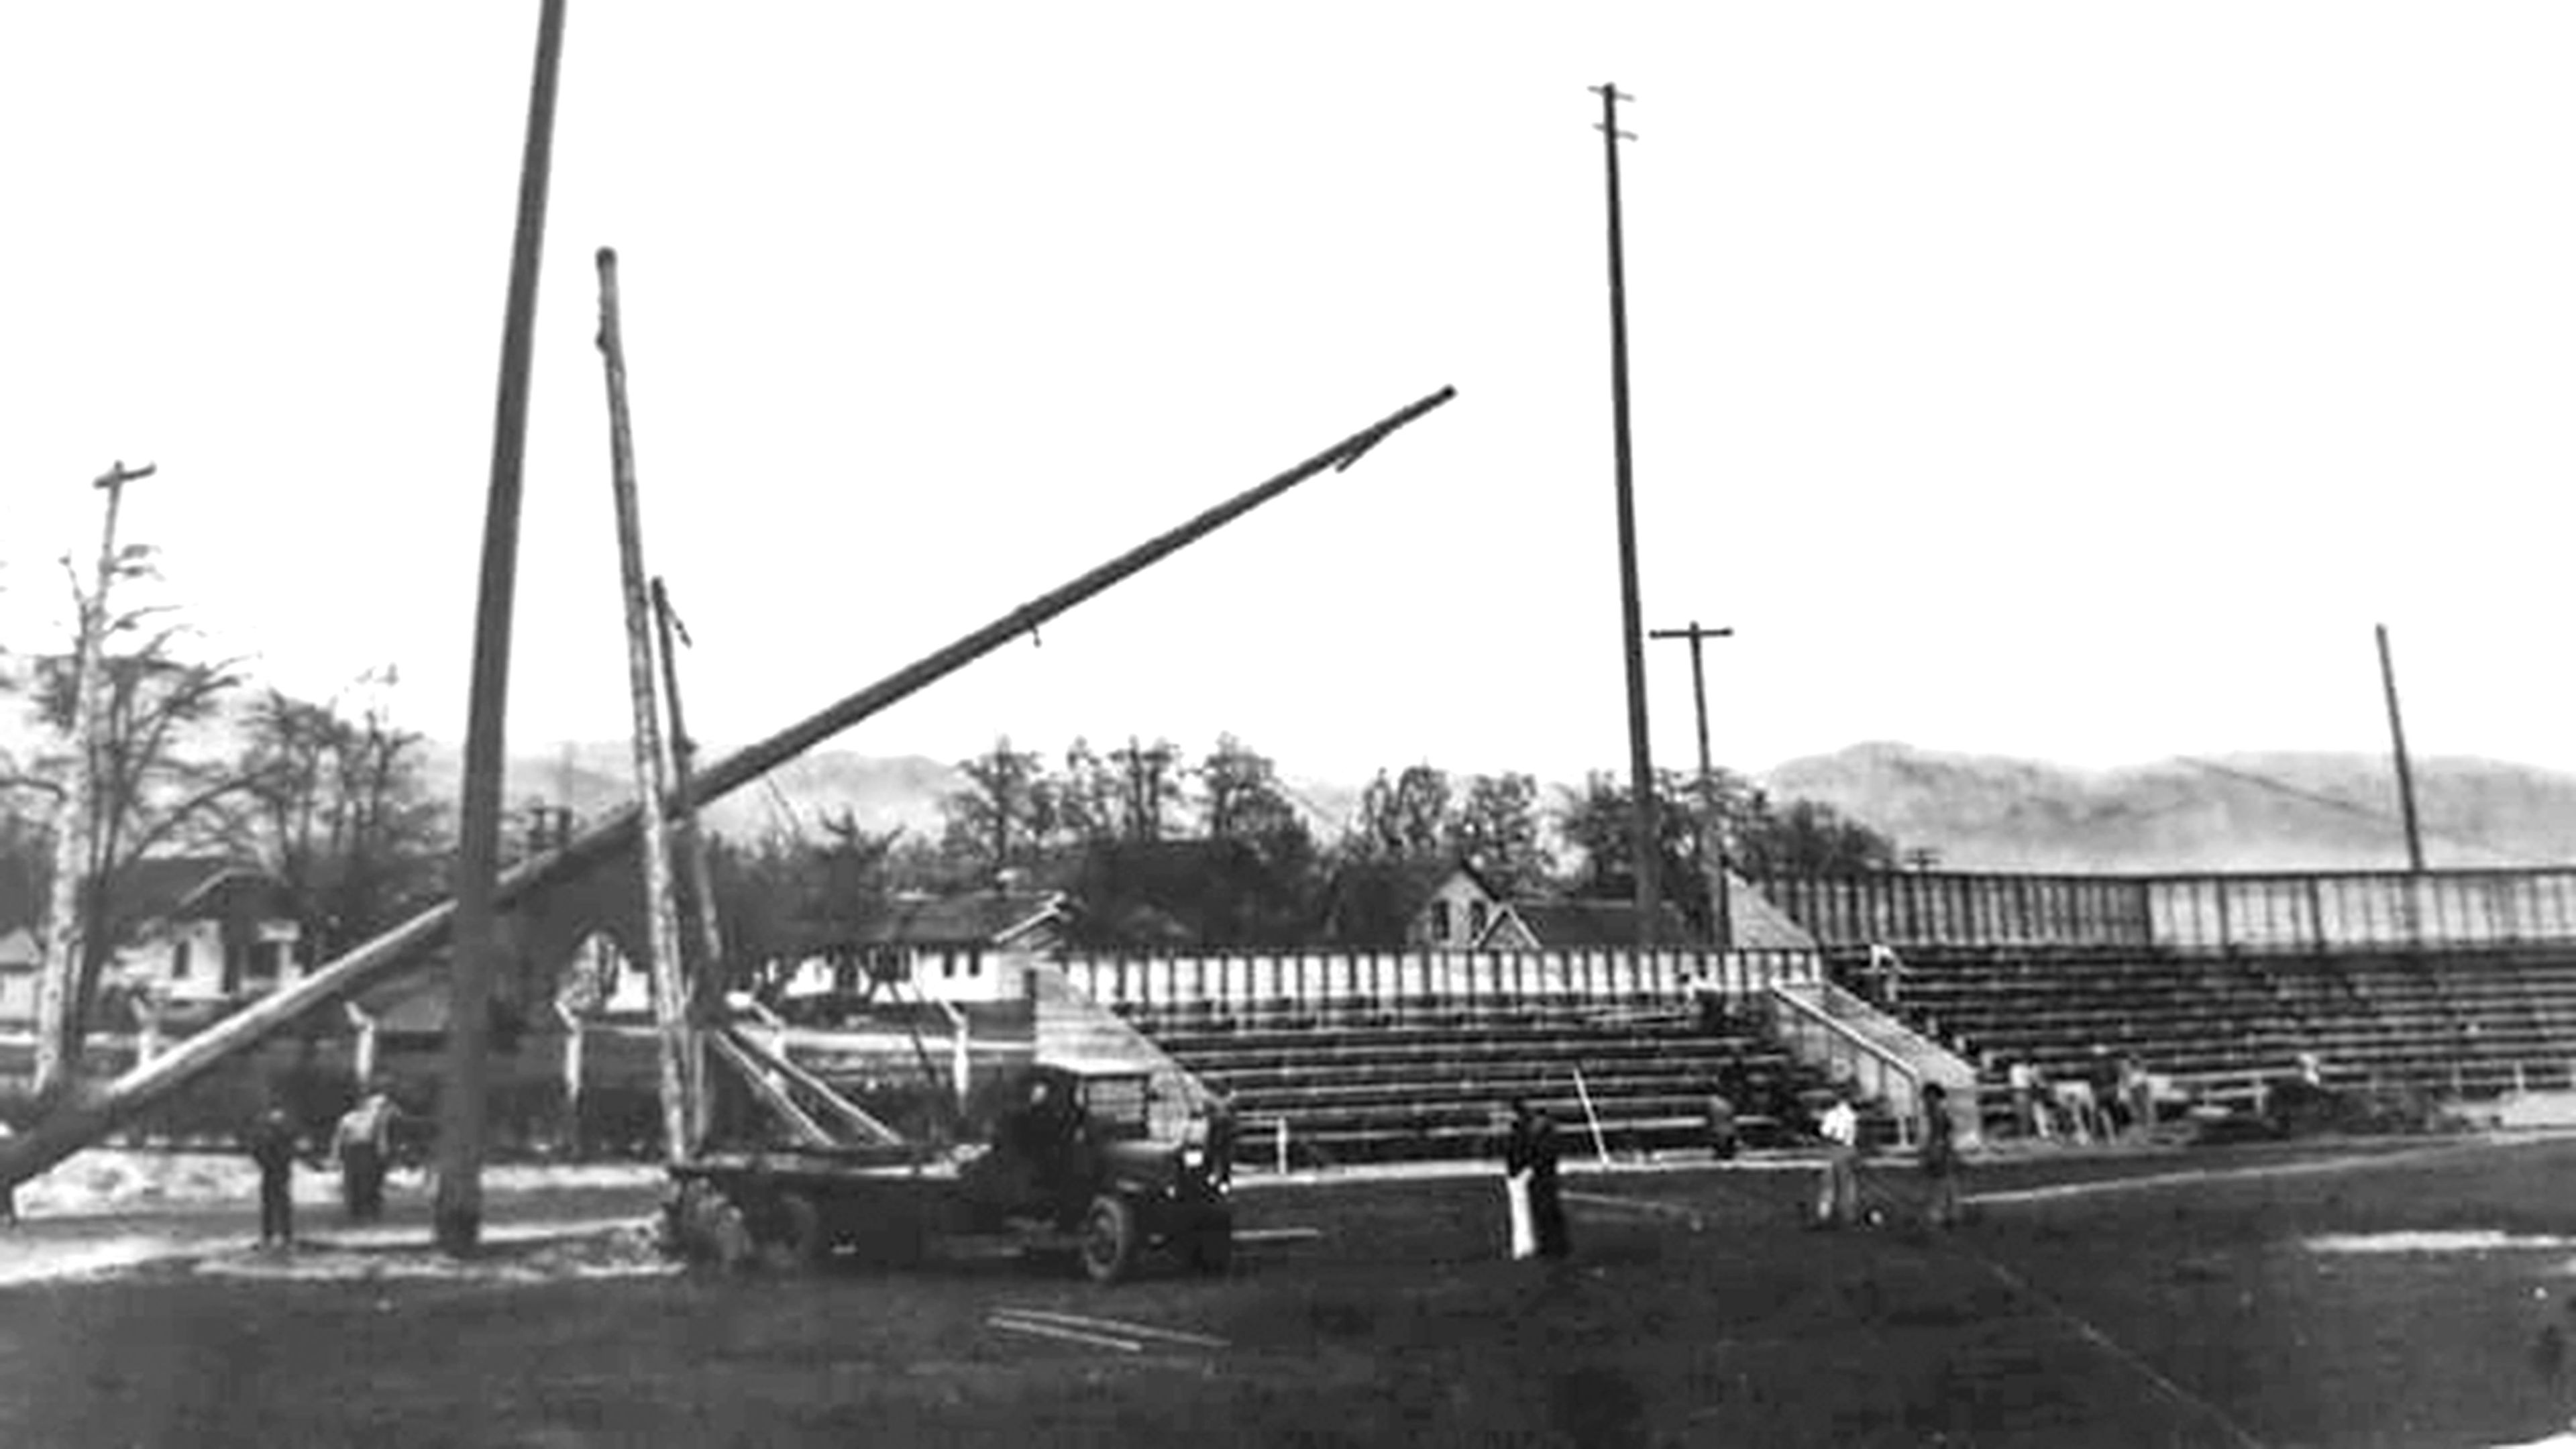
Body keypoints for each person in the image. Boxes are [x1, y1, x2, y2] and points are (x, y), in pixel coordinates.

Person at [1506, 1099, 1570, 1259]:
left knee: (1545, 1212)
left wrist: (1528, 1170)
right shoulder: (1536, 1132)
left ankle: (1552, 1246)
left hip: (1541, 1176)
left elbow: (1539, 1155)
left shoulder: (1534, 1132)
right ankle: (1550, 1245)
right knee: (1543, 1213)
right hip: (1540, 1176)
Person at [333, 1091, 395, 1224]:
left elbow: (379, 1135)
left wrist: (382, 1150)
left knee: (370, 1180)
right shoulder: (348, 1118)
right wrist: (336, 1154)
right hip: (352, 1150)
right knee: (353, 1181)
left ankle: (371, 1211)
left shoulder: (374, 1118)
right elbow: (339, 1137)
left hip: (368, 1149)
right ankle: (355, 1212)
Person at [247, 1103, 300, 1247]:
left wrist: (286, 1161)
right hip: (270, 1171)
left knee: (282, 1204)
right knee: (270, 1204)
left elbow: (291, 1150)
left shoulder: (285, 1132)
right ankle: (269, 1234)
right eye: (275, 1114)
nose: (278, 1116)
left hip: (281, 1171)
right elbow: (256, 1150)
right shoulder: (265, 1133)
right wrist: (264, 1163)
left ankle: (285, 1234)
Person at [1919, 1082, 1962, 1228]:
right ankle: (1951, 1213)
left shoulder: (1937, 1112)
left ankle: (1938, 1213)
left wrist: (1934, 1152)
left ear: (1934, 1097)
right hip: (1943, 1149)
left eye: (1926, 1096)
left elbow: (1941, 1134)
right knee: (1948, 1182)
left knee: (1940, 1182)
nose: (1924, 1100)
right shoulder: (1939, 1111)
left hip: (1940, 1150)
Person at [1496, 1104, 1535, 1260]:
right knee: (1522, 1212)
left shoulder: (1519, 1134)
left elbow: (1518, 1154)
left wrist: (1518, 1173)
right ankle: (1524, 1246)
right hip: (1520, 1173)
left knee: (1521, 1212)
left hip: (1519, 1174)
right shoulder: (1522, 1133)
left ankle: (1523, 1247)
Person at [1815, 1097, 1860, 1228]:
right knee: (1847, 1183)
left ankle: (1825, 1213)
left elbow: (1825, 1132)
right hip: (1849, 1150)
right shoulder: (1852, 1115)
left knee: (1828, 1183)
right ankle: (1848, 1213)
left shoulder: (1832, 1115)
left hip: (1834, 1150)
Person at [1704, 1087, 1739, 1163]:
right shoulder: (1714, 1101)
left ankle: (1725, 1151)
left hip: (1725, 1128)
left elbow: (1731, 1116)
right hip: (1718, 1127)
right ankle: (1722, 1151)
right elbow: (1709, 1116)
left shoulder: (1728, 1101)